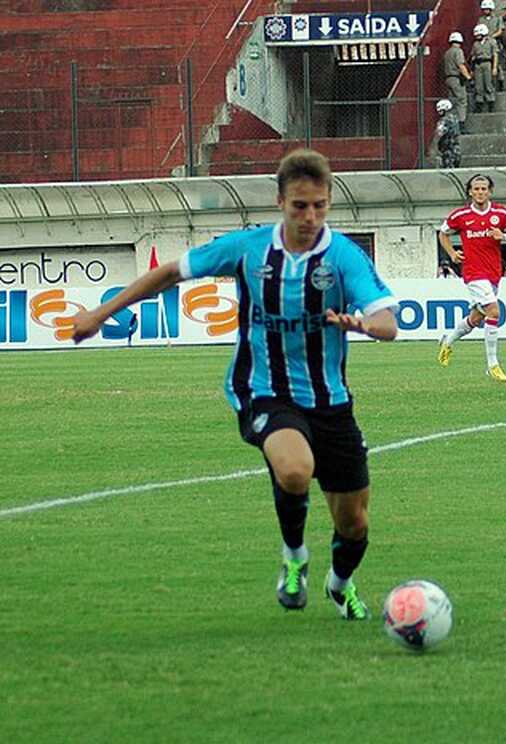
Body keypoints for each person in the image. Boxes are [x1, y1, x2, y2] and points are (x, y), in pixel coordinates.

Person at [70, 149, 399, 619]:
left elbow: (388, 321)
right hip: (263, 390)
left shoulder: (344, 255)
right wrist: (100, 314)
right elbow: (169, 273)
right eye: (299, 206)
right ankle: (294, 557)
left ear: (329, 203)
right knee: (293, 470)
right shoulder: (248, 249)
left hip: (331, 402)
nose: (310, 217)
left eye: (319, 206)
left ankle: (340, 584)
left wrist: (365, 326)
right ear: (280, 202)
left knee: (355, 523)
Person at [437, 174, 506, 382]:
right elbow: (443, 233)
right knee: (494, 310)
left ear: (490, 192)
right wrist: (451, 253)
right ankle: (492, 365)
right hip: (473, 273)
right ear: (470, 192)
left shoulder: (500, 213)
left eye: (484, 189)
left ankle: (447, 341)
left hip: (493, 272)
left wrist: (502, 236)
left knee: (477, 319)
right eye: (476, 189)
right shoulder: (461, 215)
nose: (480, 192)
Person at [443, 31, 473, 133]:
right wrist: (468, 77)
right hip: (456, 79)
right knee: (462, 101)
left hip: (448, 78)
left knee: (452, 103)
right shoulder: (458, 51)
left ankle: (451, 125)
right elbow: (461, 65)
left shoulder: (447, 52)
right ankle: (461, 125)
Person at [470, 24, 499, 113]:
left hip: (487, 63)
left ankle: (491, 103)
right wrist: (472, 69)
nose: (477, 36)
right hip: (478, 64)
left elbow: (495, 54)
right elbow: (473, 56)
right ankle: (479, 103)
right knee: (478, 86)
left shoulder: (491, 42)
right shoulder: (475, 44)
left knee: (488, 84)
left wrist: (494, 67)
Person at [428, 98, 461, 168]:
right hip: (456, 150)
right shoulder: (455, 119)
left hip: (448, 152)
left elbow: (438, 134)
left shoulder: (444, 121)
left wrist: (432, 150)